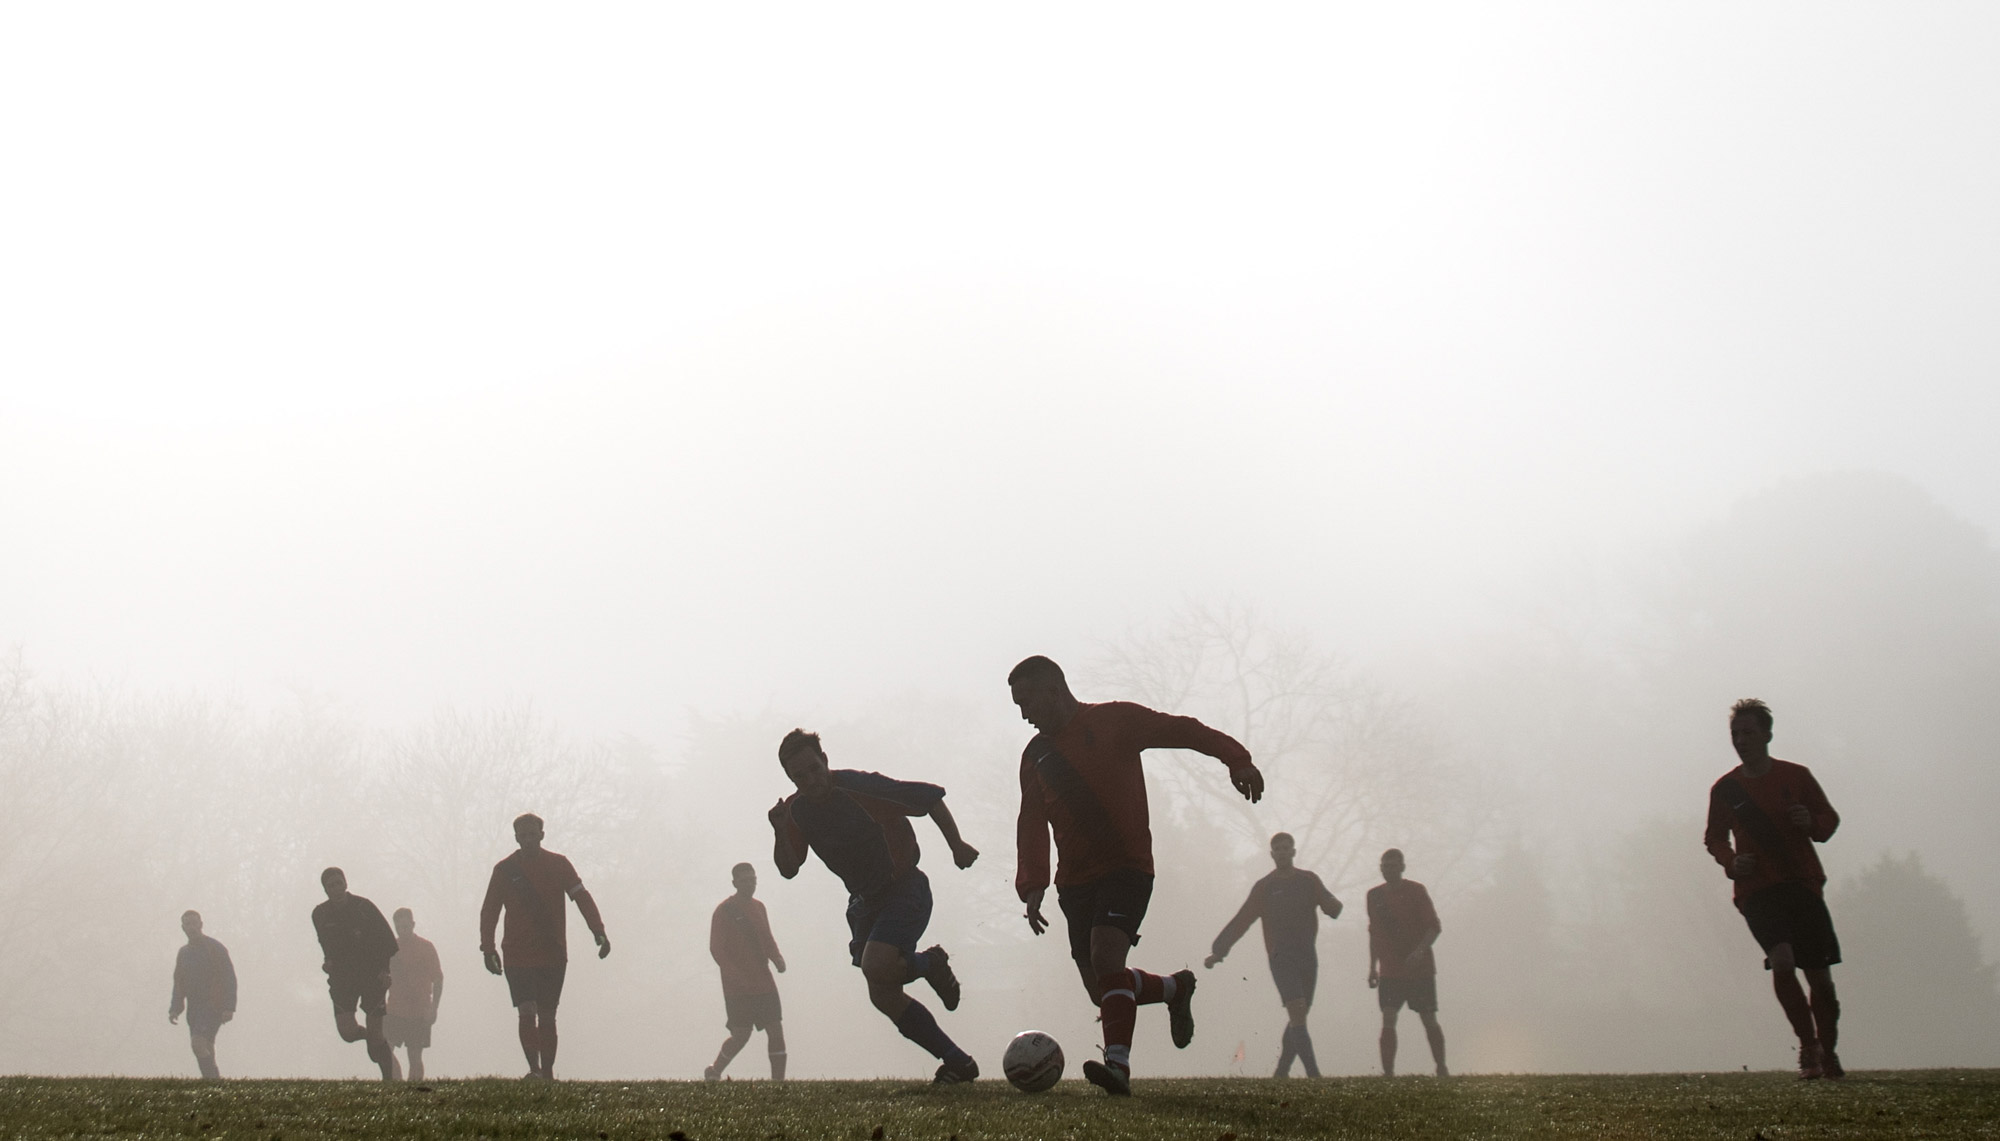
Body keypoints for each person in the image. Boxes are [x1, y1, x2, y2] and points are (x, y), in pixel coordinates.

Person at [1010, 654, 1264, 1097]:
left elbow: (1183, 730)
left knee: (1108, 960)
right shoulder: (1035, 757)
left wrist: (1236, 759)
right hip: (1074, 882)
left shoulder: (1114, 721)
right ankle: (1173, 989)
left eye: (1027, 702)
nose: (1024, 715)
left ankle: (1118, 1069)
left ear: (1054, 690)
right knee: (1102, 989)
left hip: (1126, 867)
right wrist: (1032, 885)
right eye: (1017, 707)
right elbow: (1031, 821)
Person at [768, 729, 981, 1083]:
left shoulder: (860, 787)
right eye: (798, 776)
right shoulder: (796, 811)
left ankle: (931, 963)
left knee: (877, 965)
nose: (809, 780)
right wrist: (779, 830)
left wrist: (956, 844)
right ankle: (958, 1062)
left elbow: (929, 799)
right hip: (865, 904)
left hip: (905, 888)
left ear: (825, 761)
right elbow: (789, 869)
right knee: (882, 992)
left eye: (813, 769)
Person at [1704, 697, 1844, 1080]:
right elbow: (1714, 838)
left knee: (1821, 980)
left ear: (1767, 735)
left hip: (1801, 883)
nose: (1741, 740)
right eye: (1735, 734)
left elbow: (1828, 821)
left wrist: (1810, 821)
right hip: (1758, 891)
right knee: (1782, 962)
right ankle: (1808, 1047)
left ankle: (1828, 1051)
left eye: (1748, 733)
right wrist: (1732, 862)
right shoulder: (1726, 790)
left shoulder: (1796, 777)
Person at [479, 812, 610, 1081]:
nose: (528, 839)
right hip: (516, 953)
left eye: (532, 834)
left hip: (552, 951)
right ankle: (534, 1070)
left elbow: (581, 897)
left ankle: (547, 1074)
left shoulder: (559, 865)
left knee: (548, 1014)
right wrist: (488, 948)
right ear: (516, 838)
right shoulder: (504, 870)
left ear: (542, 834)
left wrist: (598, 930)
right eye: (522, 835)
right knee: (526, 1010)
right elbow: (489, 911)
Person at [1204, 832, 1342, 1077]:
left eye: (1286, 848)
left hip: (1308, 957)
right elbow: (1242, 919)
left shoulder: (1308, 880)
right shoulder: (1265, 887)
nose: (1281, 852)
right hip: (1281, 958)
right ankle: (1314, 1075)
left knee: (1299, 1015)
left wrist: (1334, 907)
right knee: (1297, 1009)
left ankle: (1280, 1072)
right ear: (1272, 854)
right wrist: (1219, 950)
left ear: (1293, 852)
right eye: (1277, 848)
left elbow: (1332, 904)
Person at [311, 867, 402, 1080]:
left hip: (372, 976)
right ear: (325, 890)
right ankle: (372, 1040)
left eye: (339, 883)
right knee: (347, 1033)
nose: (336, 889)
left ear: (346, 883)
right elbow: (326, 943)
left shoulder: (364, 907)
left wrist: (384, 971)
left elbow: (389, 943)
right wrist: (328, 961)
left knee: (377, 1041)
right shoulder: (320, 914)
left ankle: (389, 1082)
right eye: (331, 885)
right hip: (342, 978)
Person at [1367, 848, 1447, 1077]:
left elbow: (1434, 927)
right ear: (1381, 868)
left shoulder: (1416, 891)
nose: (1389, 870)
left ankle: (1441, 1067)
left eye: (1394, 865)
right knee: (1389, 1016)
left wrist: (1420, 952)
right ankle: (1388, 1072)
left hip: (1419, 969)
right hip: (1390, 970)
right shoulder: (1374, 896)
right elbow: (1374, 933)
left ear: (1402, 867)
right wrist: (1372, 967)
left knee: (1428, 1017)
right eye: (1385, 865)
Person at [705, 862, 788, 1081]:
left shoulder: (759, 907)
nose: (750, 884)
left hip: (763, 981)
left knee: (775, 1029)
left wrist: (777, 958)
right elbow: (716, 948)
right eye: (745, 880)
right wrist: (733, 975)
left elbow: (767, 938)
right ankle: (714, 1071)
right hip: (737, 987)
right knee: (741, 1035)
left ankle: (778, 1082)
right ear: (735, 883)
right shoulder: (724, 911)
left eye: (753, 880)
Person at [168, 910, 237, 1080]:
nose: (191, 927)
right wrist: (175, 1008)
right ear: (183, 928)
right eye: (187, 924)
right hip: (194, 1008)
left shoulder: (215, 948)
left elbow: (229, 977)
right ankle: (214, 1084)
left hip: (213, 1005)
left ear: (201, 924)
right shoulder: (183, 953)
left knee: (197, 1043)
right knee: (206, 1045)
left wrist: (229, 1007)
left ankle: (212, 1080)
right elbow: (179, 983)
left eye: (194, 923)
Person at [385, 907, 444, 1082]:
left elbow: (438, 980)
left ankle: (414, 1092)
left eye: (406, 926)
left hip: (420, 1010)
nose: (403, 930)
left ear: (413, 924)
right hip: (394, 1009)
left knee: (415, 1057)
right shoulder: (390, 950)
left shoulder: (426, 947)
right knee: (386, 1051)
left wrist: (434, 1009)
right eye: (399, 927)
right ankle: (396, 1086)